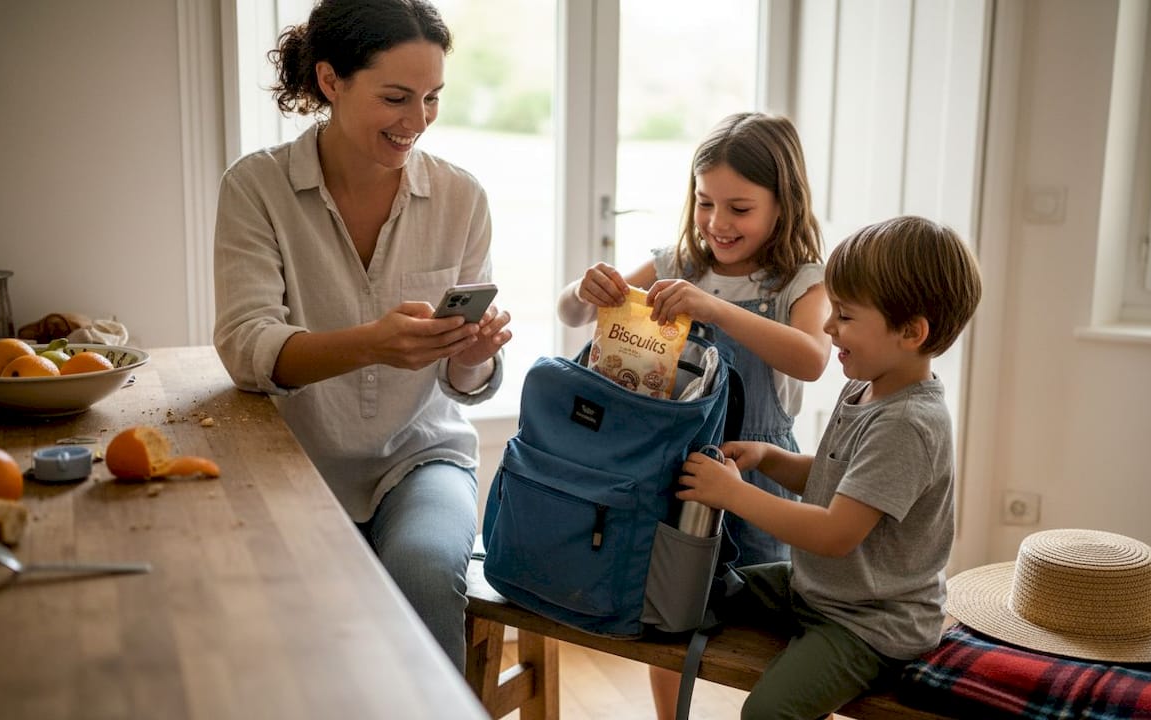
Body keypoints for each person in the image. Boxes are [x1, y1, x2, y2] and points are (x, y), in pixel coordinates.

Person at [211, 0, 512, 673]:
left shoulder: (463, 199)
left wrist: (469, 358)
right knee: (285, 619)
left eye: (432, 97)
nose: (418, 121)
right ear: (330, 81)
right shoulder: (257, 188)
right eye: (396, 97)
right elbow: (244, 345)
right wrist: (370, 343)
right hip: (292, 462)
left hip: (421, 457)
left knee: (427, 571)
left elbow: (463, 391)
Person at [556, 111, 832, 718]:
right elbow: (571, 314)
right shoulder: (677, 261)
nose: (717, 223)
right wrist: (585, 291)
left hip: (757, 470)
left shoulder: (801, 282)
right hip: (670, 466)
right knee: (667, 608)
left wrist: (716, 306)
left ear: (782, 205)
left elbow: (812, 360)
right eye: (706, 203)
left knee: (768, 614)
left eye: (740, 208)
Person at [675, 215, 982, 719]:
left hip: (869, 622)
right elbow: (841, 476)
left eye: (845, 315)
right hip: (818, 590)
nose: (827, 327)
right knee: (707, 589)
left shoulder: (908, 422)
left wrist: (733, 494)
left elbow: (835, 532)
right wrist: (771, 458)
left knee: (766, 714)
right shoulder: (867, 384)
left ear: (911, 332)